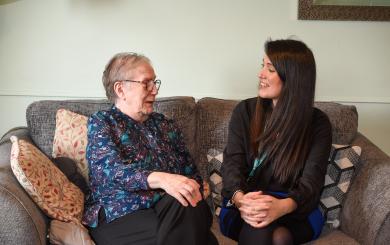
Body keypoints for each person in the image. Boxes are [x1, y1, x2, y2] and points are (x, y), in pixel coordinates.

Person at [82, 52, 217, 245]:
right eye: (146, 83)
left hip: (172, 208)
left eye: (155, 83)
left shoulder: (164, 125)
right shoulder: (103, 122)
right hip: (120, 213)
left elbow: (190, 172)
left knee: (186, 205)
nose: (155, 90)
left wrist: (194, 186)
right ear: (120, 89)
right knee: (201, 236)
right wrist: (163, 179)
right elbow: (110, 171)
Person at [221, 39, 332, 245]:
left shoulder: (317, 123)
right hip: (245, 204)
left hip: (295, 207)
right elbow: (232, 165)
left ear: (293, 77)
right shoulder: (244, 112)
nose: (260, 74)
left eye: (270, 69)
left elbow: (312, 181)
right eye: (262, 66)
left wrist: (281, 207)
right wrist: (241, 200)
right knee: (269, 233)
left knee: (276, 235)